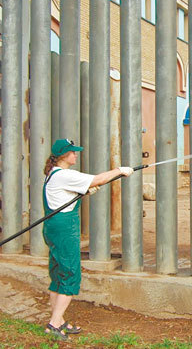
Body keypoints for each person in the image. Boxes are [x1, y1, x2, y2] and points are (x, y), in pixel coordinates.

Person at [42, 138, 134, 340]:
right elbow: (98, 179)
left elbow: (66, 195)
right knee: (70, 273)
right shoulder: (65, 174)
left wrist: (84, 190)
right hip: (65, 229)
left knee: (58, 274)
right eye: (73, 152)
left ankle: (59, 319)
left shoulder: (53, 174)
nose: (76, 155)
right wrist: (120, 170)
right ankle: (54, 325)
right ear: (64, 156)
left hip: (53, 227)